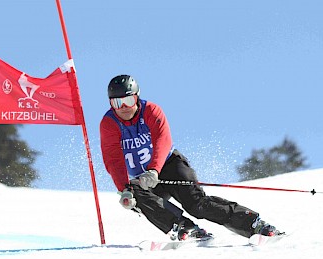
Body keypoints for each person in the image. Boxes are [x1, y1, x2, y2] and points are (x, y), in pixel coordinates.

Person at [99, 74, 281, 241]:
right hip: (143, 179)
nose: (123, 108)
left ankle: (254, 224)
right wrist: (124, 189)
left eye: (128, 100)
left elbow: (164, 141)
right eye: (117, 103)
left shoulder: (151, 111)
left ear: (137, 97)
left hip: (169, 166)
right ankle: (183, 228)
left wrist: (154, 170)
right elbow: (113, 160)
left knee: (196, 205)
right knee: (135, 194)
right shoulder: (109, 123)